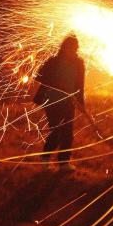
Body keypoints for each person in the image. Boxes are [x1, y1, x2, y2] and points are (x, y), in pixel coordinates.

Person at [33, 35, 86, 171]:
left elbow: (80, 85)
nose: (73, 50)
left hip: (68, 102)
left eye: (75, 48)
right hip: (52, 100)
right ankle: (45, 159)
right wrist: (56, 84)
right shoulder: (53, 61)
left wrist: (81, 104)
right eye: (70, 47)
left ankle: (64, 163)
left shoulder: (79, 63)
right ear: (64, 47)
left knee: (67, 133)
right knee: (56, 131)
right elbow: (39, 76)